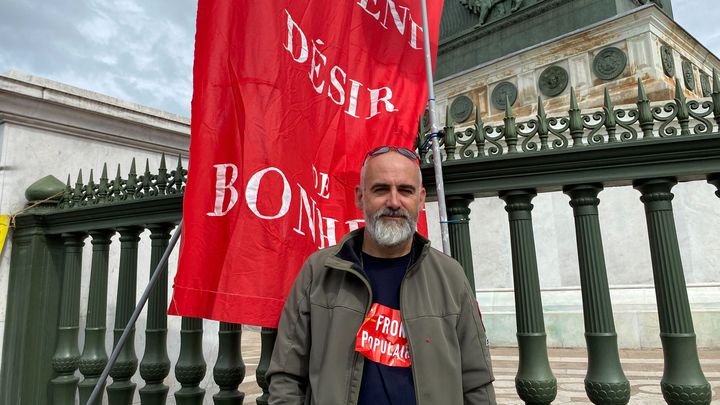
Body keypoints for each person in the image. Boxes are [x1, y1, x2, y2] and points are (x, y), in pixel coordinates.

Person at [266, 146, 496, 404]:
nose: (394, 202)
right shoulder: (319, 272)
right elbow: (286, 376)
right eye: (381, 189)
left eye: (405, 190)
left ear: (421, 200)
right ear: (360, 197)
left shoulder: (451, 276)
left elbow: (476, 381)